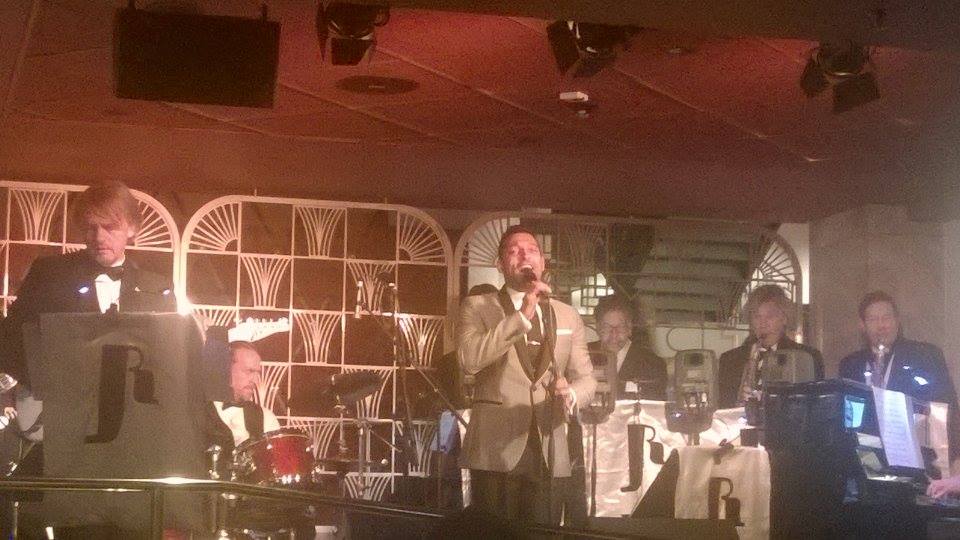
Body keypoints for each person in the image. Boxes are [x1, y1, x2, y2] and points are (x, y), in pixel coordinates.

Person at [457, 225, 596, 525]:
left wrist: (571, 394)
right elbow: (470, 360)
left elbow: (587, 379)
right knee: (493, 532)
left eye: (532, 250)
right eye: (515, 251)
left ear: (542, 263)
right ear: (500, 264)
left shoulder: (567, 314)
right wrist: (522, 316)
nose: (525, 256)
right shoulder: (477, 306)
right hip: (495, 447)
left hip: (548, 445)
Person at [0, 180, 176, 387]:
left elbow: (168, 358)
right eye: (91, 228)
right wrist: (39, 387)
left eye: (110, 227)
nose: (99, 237)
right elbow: (12, 338)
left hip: (133, 402)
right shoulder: (49, 273)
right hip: (60, 398)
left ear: (132, 228)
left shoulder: (158, 287)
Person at [839, 291, 960, 466]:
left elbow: (948, 405)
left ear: (897, 320)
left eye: (886, 317)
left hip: (919, 457)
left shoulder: (926, 356)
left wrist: (956, 457)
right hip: (865, 458)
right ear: (862, 325)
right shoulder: (850, 365)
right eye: (873, 319)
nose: (881, 325)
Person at [718, 284, 824, 408]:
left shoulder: (807, 357)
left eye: (770, 316)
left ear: (784, 318)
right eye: (757, 316)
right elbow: (723, 406)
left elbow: (814, 406)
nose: (762, 323)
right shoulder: (729, 359)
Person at [207, 340, 282, 454]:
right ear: (226, 369)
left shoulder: (266, 419)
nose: (255, 380)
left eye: (257, 373)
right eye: (249, 371)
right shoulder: (197, 412)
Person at [589, 294, 667, 400]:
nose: (614, 334)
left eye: (620, 327)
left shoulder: (653, 364)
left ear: (629, 328)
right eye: (607, 327)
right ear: (598, 328)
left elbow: (654, 405)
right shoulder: (584, 355)